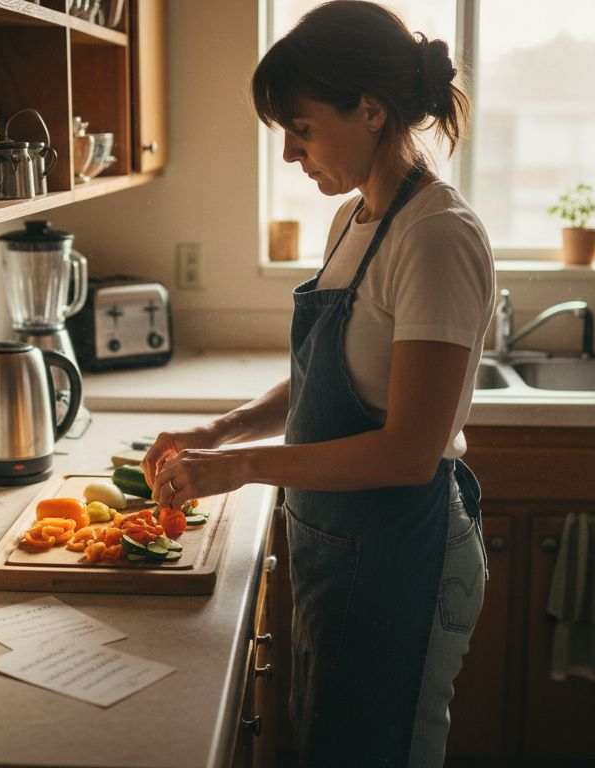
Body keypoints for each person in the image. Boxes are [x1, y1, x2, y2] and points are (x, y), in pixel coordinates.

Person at [140, 2, 495, 764]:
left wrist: (238, 468)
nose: (291, 155)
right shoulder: (356, 220)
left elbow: (408, 453)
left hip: (407, 555)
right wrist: (218, 431)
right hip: (340, 543)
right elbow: (326, 378)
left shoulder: (437, 235)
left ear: (370, 110)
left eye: (301, 130)